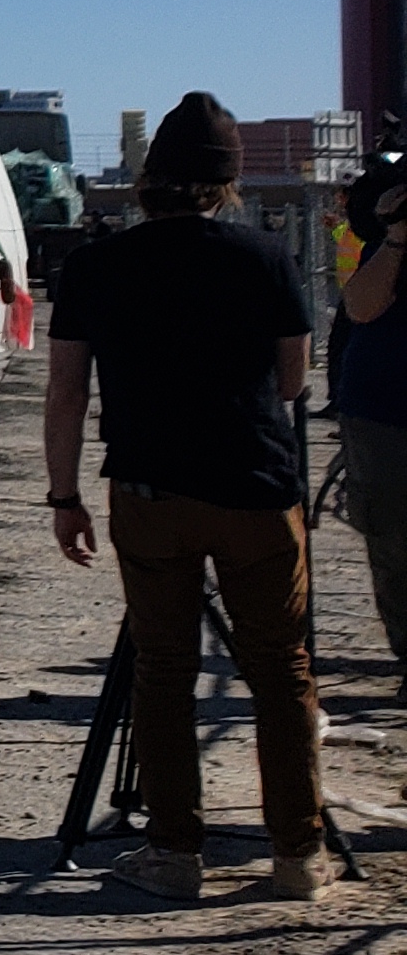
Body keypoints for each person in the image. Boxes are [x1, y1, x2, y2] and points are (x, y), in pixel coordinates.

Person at [44, 92, 330, 901]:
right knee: (280, 669)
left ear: (146, 179)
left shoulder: (96, 266)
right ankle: (297, 853)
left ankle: (174, 852)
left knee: (164, 671)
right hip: (255, 488)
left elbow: (65, 393)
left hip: (150, 491)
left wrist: (64, 496)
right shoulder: (266, 257)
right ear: (226, 183)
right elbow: (292, 379)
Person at [325, 154, 407, 672]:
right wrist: (396, 237)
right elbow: (361, 306)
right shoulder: (390, 231)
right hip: (383, 408)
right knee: (394, 544)